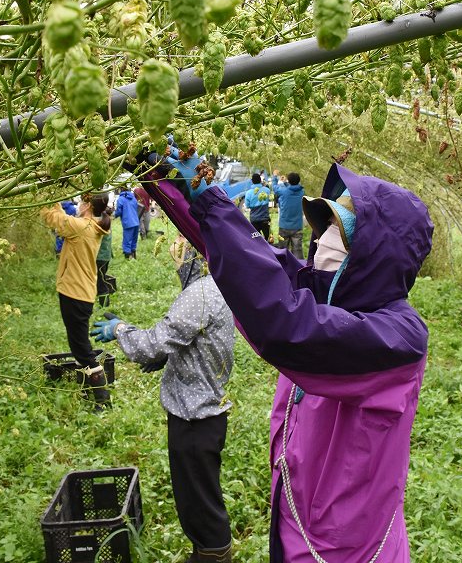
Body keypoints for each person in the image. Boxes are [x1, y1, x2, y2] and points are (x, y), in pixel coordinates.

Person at [131, 149, 433, 563]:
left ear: (375, 254)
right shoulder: (325, 292)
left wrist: (208, 204)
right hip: (297, 522)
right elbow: (246, 259)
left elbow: (288, 326)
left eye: (341, 232)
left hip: (345, 550)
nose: (323, 239)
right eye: (325, 224)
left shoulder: (398, 340)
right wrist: (174, 186)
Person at [91, 234, 235, 563]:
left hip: (194, 419)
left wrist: (119, 330)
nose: (175, 260)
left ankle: (213, 555)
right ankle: (206, 551)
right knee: (198, 496)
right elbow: (192, 342)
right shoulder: (216, 287)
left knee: (199, 503)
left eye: (179, 253)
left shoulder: (198, 294)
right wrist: (164, 359)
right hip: (204, 414)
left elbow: (153, 343)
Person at [40, 193, 112, 409]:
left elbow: (54, 219)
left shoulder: (81, 227)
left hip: (75, 293)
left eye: (82, 201)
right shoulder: (88, 226)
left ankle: (103, 400)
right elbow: (62, 218)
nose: (78, 204)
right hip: (80, 292)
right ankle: (86, 391)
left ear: (88, 205)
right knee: (78, 344)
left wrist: (44, 195)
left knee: (81, 348)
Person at [271, 170, 305, 258]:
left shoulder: (283, 191)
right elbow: (295, 188)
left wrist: (275, 176)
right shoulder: (302, 192)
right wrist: (286, 182)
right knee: (297, 250)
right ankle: (299, 269)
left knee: (282, 250)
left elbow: (274, 187)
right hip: (297, 226)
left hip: (284, 226)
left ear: (289, 181)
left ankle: (283, 269)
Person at [96, 207, 116, 308]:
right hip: (105, 256)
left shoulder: (100, 224)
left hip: (100, 257)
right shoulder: (106, 221)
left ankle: (104, 305)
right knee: (101, 277)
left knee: (101, 281)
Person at [244, 172, 271, 239]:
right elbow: (270, 200)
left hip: (254, 220)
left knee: (256, 240)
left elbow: (247, 205)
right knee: (267, 238)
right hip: (265, 219)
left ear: (252, 181)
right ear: (260, 180)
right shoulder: (267, 190)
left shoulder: (248, 193)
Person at [114, 188, 140, 259]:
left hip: (128, 222)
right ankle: (134, 255)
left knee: (127, 240)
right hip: (136, 221)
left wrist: (114, 215)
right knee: (134, 240)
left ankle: (127, 257)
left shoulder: (121, 199)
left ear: (120, 190)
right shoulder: (133, 198)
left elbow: (119, 211)